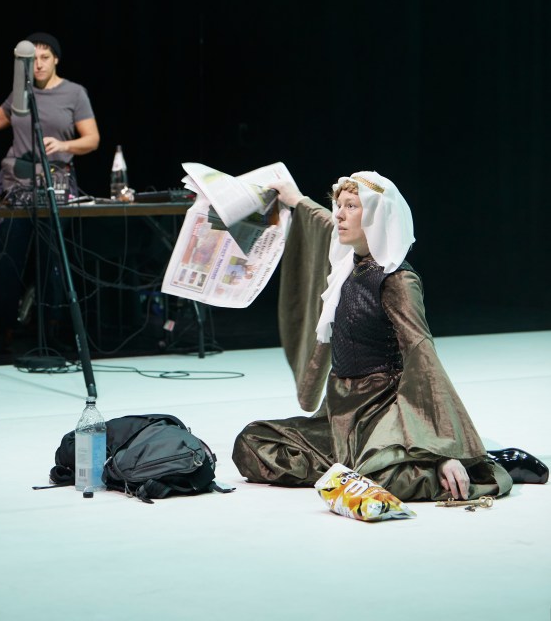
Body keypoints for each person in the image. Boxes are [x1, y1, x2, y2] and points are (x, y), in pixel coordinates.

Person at [232, 170, 546, 501]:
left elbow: (422, 357)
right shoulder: (346, 261)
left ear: (376, 217)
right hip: (341, 411)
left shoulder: (396, 280)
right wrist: (296, 199)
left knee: (379, 479)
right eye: (339, 205)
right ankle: (357, 462)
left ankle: (472, 464)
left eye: (351, 206)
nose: (339, 215)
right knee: (253, 442)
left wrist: (443, 450)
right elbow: (326, 224)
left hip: (384, 408)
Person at [0, 32, 99, 351]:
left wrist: (65, 145)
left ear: (56, 59)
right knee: (9, 258)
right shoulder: (20, 93)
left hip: (55, 183)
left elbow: (92, 139)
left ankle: (51, 331)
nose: (38, 64)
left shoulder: (74, 93)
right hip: (16, 184)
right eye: (32, 59)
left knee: (52, 261)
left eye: (44, 57)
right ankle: (3, 332)